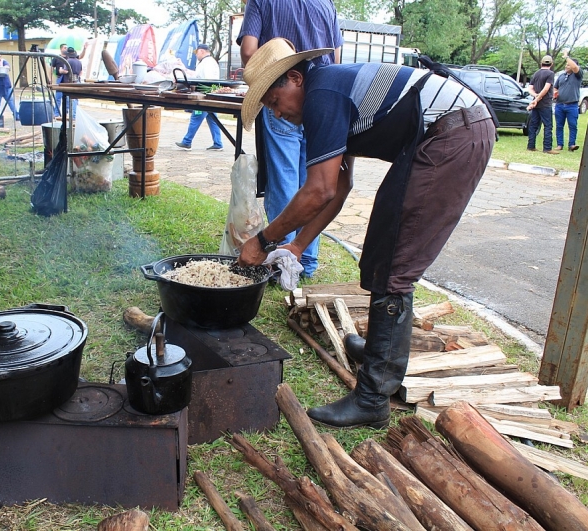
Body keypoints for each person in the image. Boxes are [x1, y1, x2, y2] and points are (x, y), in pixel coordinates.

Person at [236, 39, 496, 429]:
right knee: (381, 247)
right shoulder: (327, 90)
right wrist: (297, 245)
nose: (277, 113)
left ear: (294, 78)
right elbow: (339, 188)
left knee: (396, 260)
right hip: (443, 131)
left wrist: (263, 240)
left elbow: (318, 190)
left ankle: (373, 398)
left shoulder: (322, 94)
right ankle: (381, 352)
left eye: (275, 101)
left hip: (453, 132)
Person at [237, 0, 343, 278]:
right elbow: (337, 56)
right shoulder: (326, 4)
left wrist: (266, 86)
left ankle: (282, 261)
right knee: (315, 179)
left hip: (283, 89)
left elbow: (249, 51)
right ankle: (303, 260)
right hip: (322, 93)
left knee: (285, 181)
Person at [175, 44, 224, 152]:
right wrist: (183, 68)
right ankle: (218, 143)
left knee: (195, 118)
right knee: (213, 119)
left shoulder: (206, 63)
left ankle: (187, 142)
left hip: (204, 95)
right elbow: (197, 75)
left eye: (196, 52)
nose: (196, 55)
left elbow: (204, 79)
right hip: (210, 94)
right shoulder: (209, 62)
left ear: (201, 51)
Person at [526, 55, 558, 154]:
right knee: (548, 126)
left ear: (541, 63)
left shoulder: (536, 73)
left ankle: (531, 146)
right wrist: (539, 98)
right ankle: (547, 148)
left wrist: (535, 97)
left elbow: (530, 88)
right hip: (545, 104)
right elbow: (546, 88)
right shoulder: (550, 74)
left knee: (533, 125)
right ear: (551, 64)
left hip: (536, 104)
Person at [553, 50, 582, 152]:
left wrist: (566, 56)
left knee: (572, 125)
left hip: (572, 105)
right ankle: (559, 144)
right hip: (560, 104)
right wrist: (555, 93)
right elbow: (555, 87)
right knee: (559, 125)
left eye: (568, 65)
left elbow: (574, 67)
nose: (566, 66)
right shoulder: (561, 75)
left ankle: (572, 145)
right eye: (566, 65)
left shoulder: (577, 75)